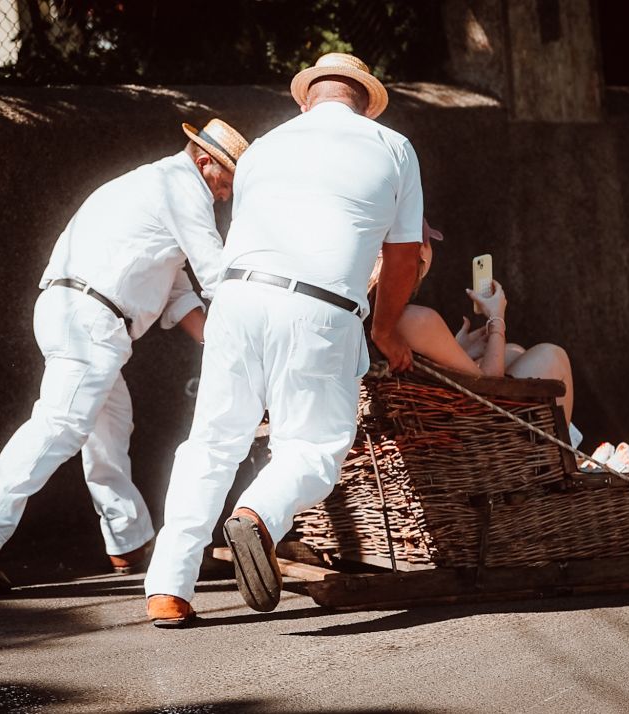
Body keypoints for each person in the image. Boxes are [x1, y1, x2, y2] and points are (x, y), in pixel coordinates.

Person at [143, 52, 423, 627]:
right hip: (320, 309)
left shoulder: (263, 149)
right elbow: (402, 257)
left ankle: (168, 588)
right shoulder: (393, 147)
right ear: (365, 100)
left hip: (237, 299)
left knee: (212, 444)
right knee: (314, 446)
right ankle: (260, 515)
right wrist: (385, 328)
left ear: (306, 99)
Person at [0, 118, 250, 593]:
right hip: (95, 320)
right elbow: (214, 272)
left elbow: (178, 290)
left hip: (72, 310)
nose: (228, 194)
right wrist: (253, 332)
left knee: (110, 425)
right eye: (228, 179)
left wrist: (217, 342)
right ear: (204, 161)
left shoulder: (148, 185)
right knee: (61, 424)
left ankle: (128, 540)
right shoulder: (181, 188)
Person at [368, 219, 578, 430]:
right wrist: (497, 318)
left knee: (513, 353)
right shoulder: (417, 319)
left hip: (426, 426)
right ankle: (559, 457)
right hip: (465, 437)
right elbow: (490, 387)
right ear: (421, 251)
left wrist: (459, 350)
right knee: (552, 355)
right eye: (429, 242)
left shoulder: (364, 316)